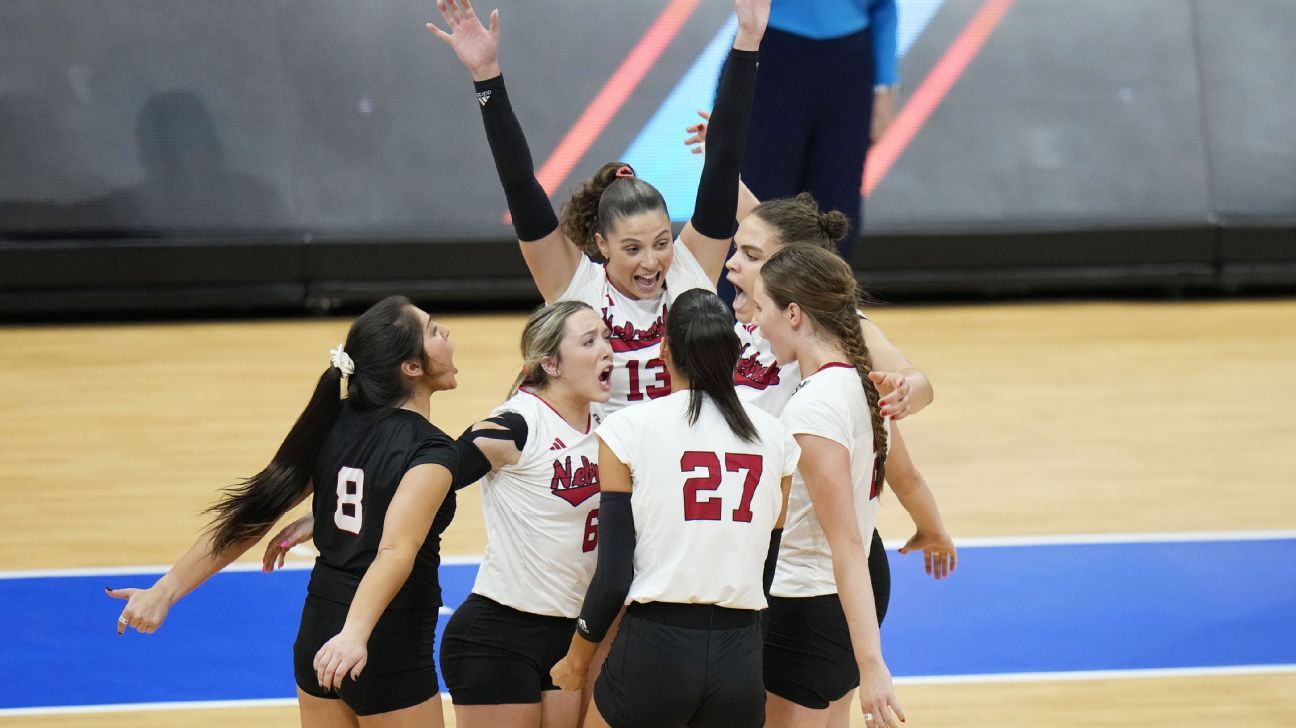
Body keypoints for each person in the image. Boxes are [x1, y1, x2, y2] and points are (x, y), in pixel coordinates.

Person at [108, 295, 460, 727]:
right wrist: (354, 635)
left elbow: (256, 512)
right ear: (411, 367)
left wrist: (164, 590)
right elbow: (394, 552)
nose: (446, 334)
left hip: (318, 638)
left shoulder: (335, 419)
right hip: (381, 643)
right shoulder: (433, 449)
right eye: (433, 330)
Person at [428, 0, 770, 412]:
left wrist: (748, 39)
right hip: (604, 469)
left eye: (662, 243)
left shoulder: (689, 267)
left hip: (678, 465)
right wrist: (486, 77)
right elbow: (519, 185)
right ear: (601, 244)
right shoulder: (576, 285)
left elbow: (724, 161)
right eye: (632, 248)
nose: (652, 262)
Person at [549, 289, 799, 728]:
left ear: (665, 349)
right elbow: (767, 563)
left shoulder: (627, 428)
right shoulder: (777, 437)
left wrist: (576, 659)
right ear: (734, 352)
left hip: (656, 649)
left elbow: (613, 576)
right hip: (739, 654)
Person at [753, 245, 908, 727]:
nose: (757, 324)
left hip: (806, 604)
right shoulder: (859, 382)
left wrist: (872, 664)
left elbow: (845, 541)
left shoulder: (813, 407)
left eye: (762, 309)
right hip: (837, 600)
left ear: (794, 313)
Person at [439, 301, 614, 728]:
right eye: (590, 341)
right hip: (499, 635)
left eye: (607, 337)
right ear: (550, 363)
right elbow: (431, 479)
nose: (607, 349)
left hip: (573, 636)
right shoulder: (517, 424)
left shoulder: (609, 428)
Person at [742, 0, 899, 266]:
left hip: (850, 64)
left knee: (837, 211)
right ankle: (744, 304)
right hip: (773, 55)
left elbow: (884, 5)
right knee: (760, 206)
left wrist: (885, 85)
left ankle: (826, 305)